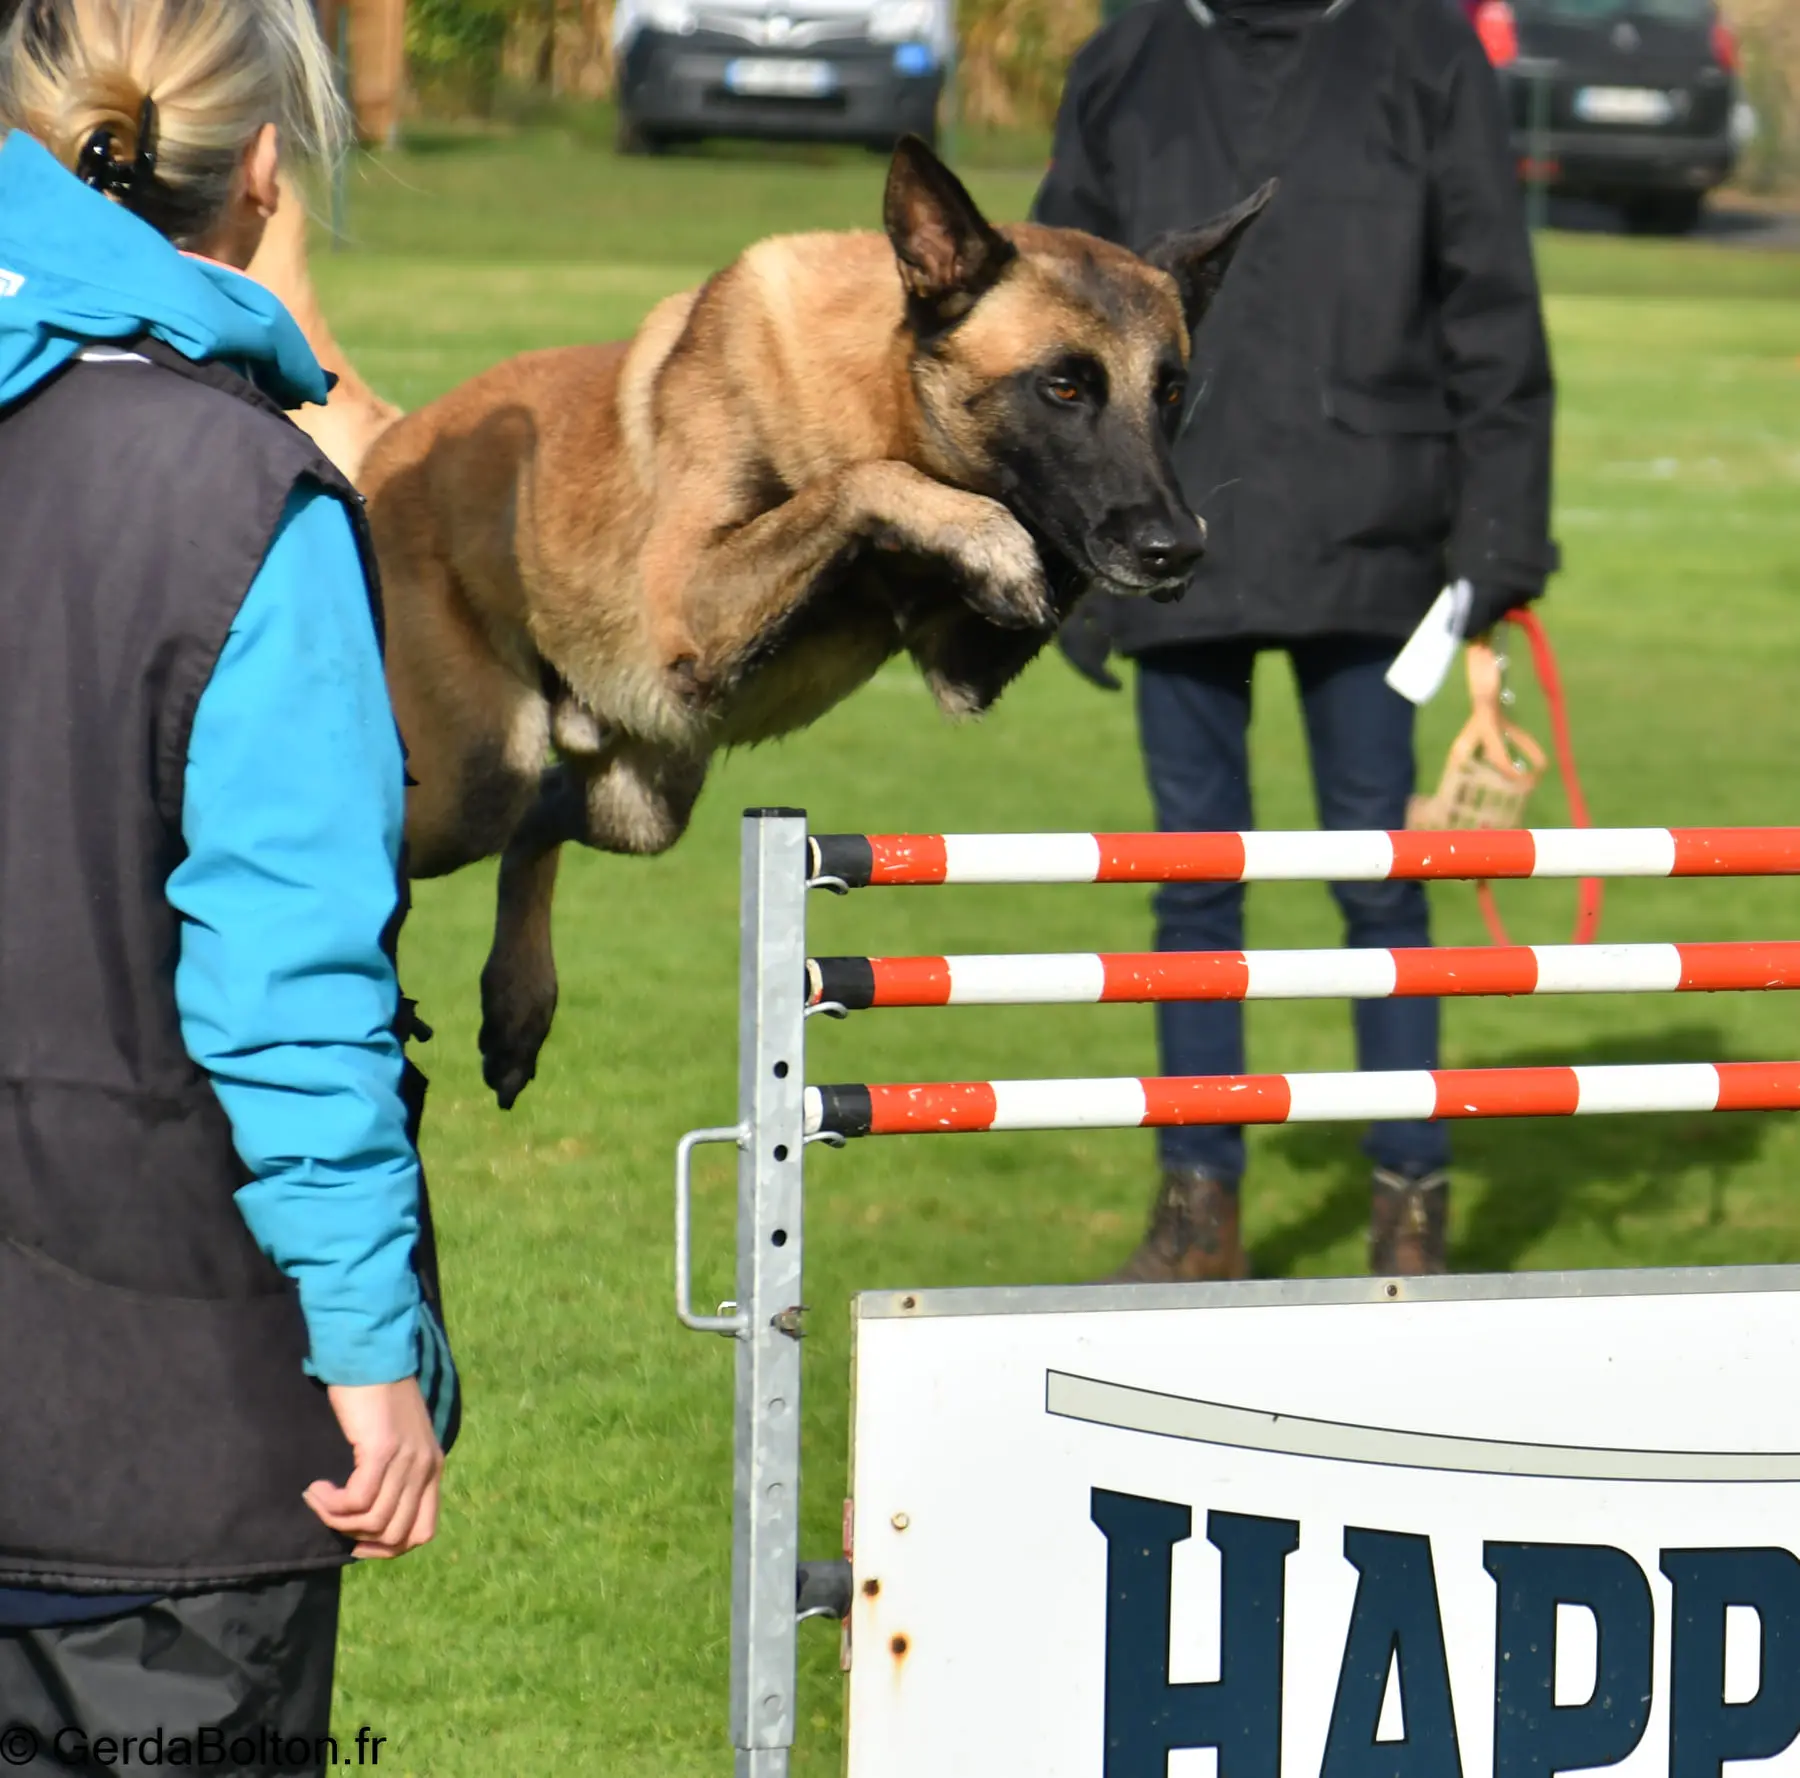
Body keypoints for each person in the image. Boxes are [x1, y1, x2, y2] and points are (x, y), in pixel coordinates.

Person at [0, 0, 458, 1764]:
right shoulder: (245, 494)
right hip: (168, 1467)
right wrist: (368, 1344)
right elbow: (283, 982)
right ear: (266, 170)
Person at [1035, 0, 1556, 1279]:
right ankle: (1198, 1212)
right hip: (1169, 530)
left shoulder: (1426, 52)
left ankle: (1409, 1207)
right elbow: (1045, 319)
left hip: (1375, 538)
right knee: (1195, 881)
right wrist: (1065, 554)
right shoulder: (1128, 58)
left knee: (1382, 874)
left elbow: (1490, 302)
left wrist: (1499, 542)